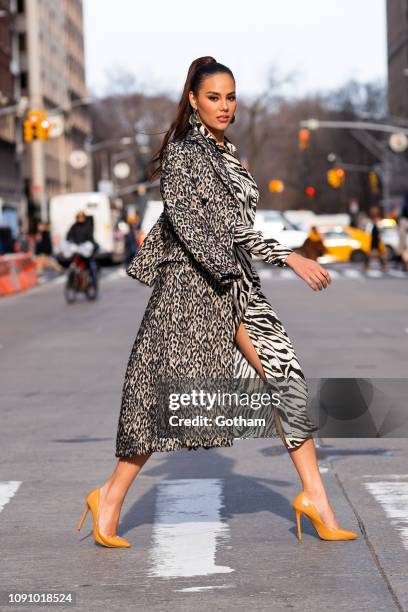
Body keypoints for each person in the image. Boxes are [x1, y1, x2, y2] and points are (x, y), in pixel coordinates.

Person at [77, 57, 358, 548]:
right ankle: (111, 495)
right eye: (214, 97)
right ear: (193, 100)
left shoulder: (228, 152)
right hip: (193, 292)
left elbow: (236, 222)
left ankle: (317, 497)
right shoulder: (184, 155)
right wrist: (287, 255)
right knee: (157, 400)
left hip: (237, 289)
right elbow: (220, 226)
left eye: (231, 97)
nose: (225, 106)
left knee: (286, 379)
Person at [66, 211, 98, 284]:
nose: (80, 219)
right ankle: (72, 279)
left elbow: (90, 237)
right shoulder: (74, 226)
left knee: (90, 264)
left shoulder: (88, 226)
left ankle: (93, 279)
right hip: (77, 248)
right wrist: (70, 241)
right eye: (78, 217)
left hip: (85, 248)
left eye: (81, 217)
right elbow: (69, 235)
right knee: (73, 263)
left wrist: (87, 244)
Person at [364, 206, 388, 272]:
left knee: (381, 255)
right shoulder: (369, 225)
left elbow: (383, 233)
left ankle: (384, 267)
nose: (375, 219)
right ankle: (366, 267)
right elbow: (367, 233)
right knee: (368, 255)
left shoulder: (379, 224)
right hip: (371, 242)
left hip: (378, 242)